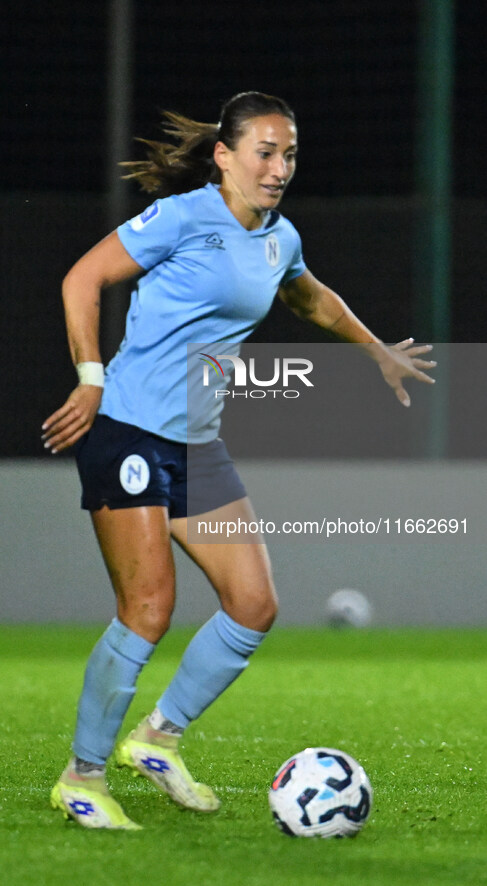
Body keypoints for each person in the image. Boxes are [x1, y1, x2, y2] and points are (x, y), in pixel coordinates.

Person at [42, 91, 436, 830]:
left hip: (197, 443)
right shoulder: (186, 216)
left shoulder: (277, 238)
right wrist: (91, 379)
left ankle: (156, 740)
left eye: (288, 153)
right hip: (125, 427)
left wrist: (375, 350)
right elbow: (81, 278)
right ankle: (81, 776)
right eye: (264, 150)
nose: (278, 166)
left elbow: (310, 298)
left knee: (253, 604)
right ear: (223, 156)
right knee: (147, 610)